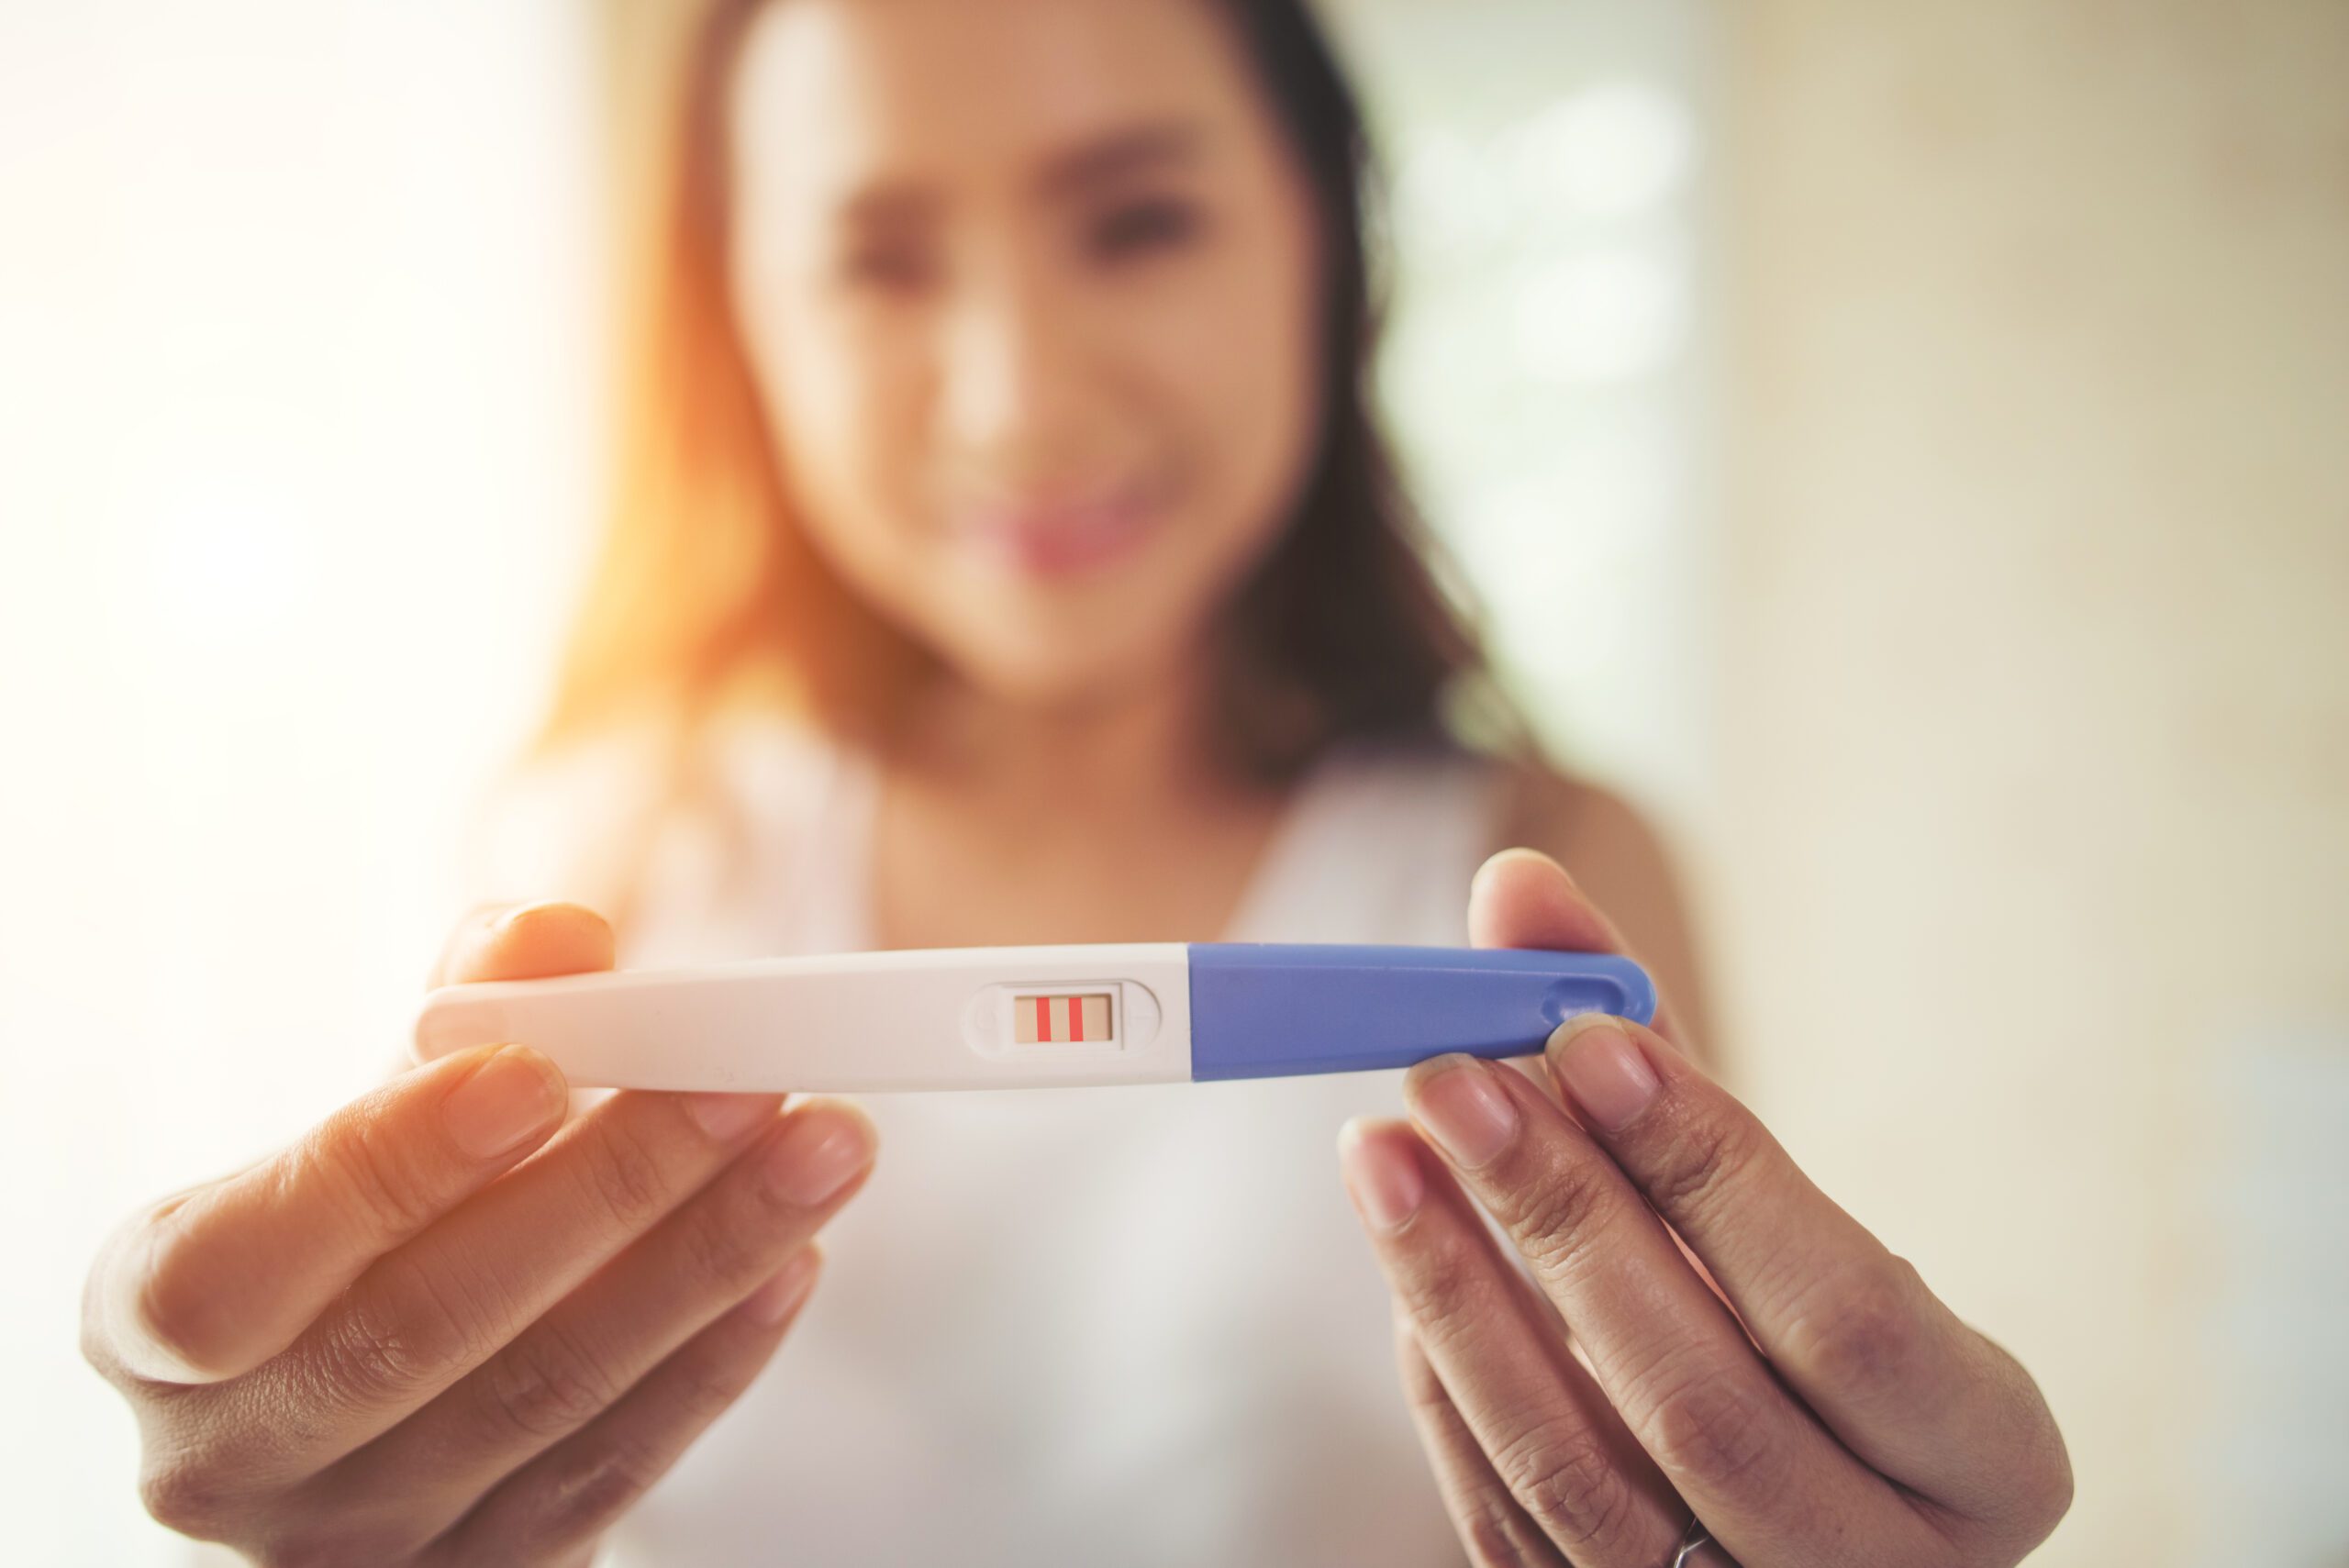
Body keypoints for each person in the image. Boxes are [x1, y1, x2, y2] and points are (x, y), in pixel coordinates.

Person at [82, 0, 2071, 1563]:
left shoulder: (1534, 878)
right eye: (877, 260)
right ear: (745, 326)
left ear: (1324, 239)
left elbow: (1665, 1491)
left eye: (1136, 220)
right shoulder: (603, 845)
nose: (1019, 394)